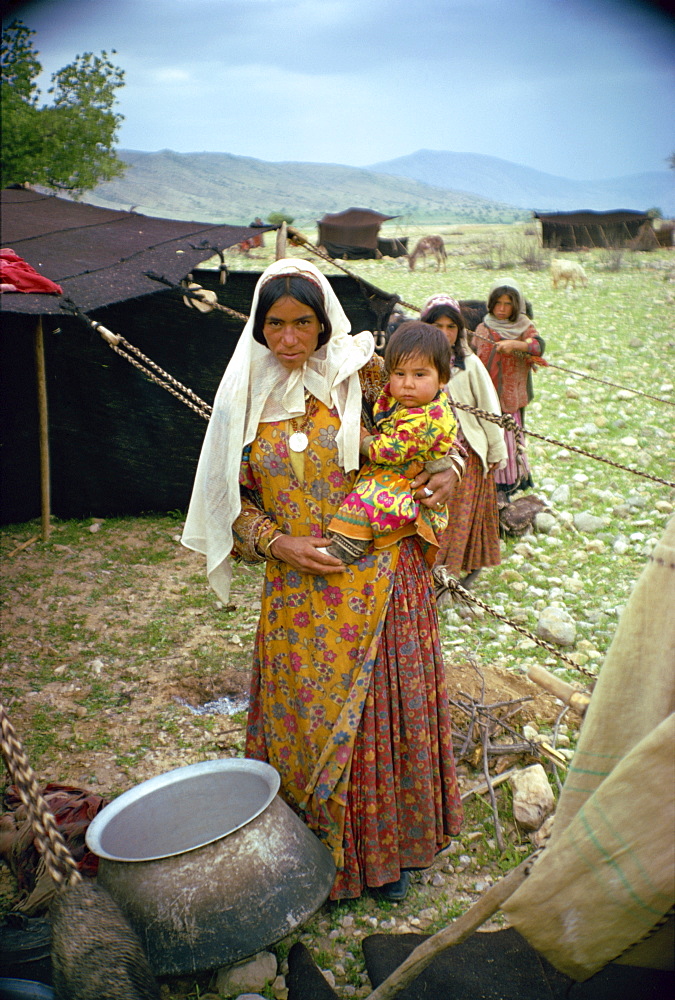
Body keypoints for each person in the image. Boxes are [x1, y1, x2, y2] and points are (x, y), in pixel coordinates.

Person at [182, 259, 464, 902]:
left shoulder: (362, 375)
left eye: (302, 323)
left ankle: (389, 857)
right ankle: (310, 858)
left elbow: (429, 419)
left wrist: (448, 466)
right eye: (275, 325)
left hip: (383, 581)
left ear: (322, 321)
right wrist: (276, 542)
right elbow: (234, 502)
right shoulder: (244, 400)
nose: (289, 339)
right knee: (306, 722)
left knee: (379, 717)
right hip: (297, 594)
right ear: (258, 327)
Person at [324, 321, 456, 565]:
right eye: (399, 373)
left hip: (405, 476)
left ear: (442, 379)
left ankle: (346, 548)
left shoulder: (429, 416)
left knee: (368, 502)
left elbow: (395, 450)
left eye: (419, 374)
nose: (407, 383)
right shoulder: (406, 401)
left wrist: (363, 441)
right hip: (397, 471)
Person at [421, 294, 507, 589]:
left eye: (450, 326)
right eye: (436, 325)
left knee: (457, 515)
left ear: (459, 330)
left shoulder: (469, 364)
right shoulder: (416, 361)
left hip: (466, 450)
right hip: (426, 450)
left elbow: (489, 409)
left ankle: (446, 575)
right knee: (430, 511)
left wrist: (496, 450)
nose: (444, 333)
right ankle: (427, 572)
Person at [473, 280, 545, 498]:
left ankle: (508, 485)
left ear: (516, 306)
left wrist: (516, 345)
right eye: (498, 303)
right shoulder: (483, 327)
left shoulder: (524, 328)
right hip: (486, 395)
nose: (502, 309)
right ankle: (487, 484)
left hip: (510, 398)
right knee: (487, 437)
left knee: (509, 440)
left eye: (508, 304)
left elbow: (538, 346)